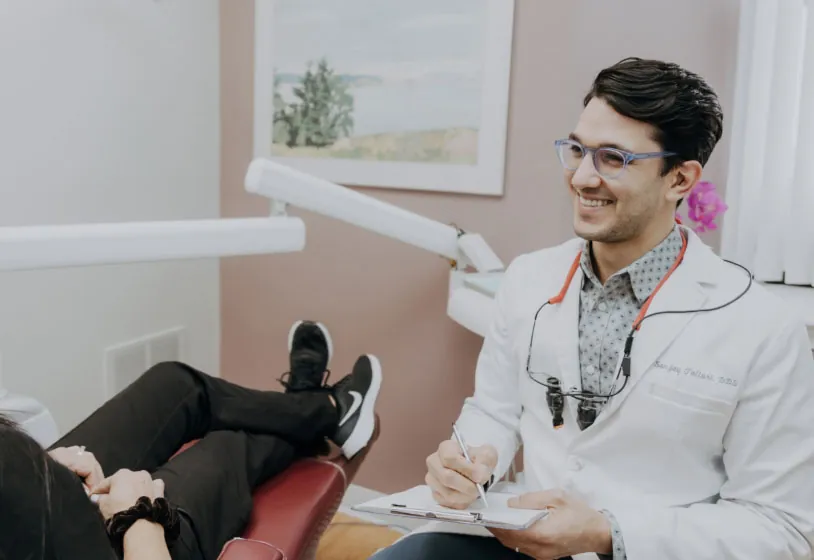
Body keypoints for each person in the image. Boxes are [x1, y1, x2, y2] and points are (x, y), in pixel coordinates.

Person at [373, 57, 814, 560]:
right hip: (521, 545)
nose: (583, 177)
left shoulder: (762, 327)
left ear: (680, 180)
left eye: (614, 159)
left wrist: (608, 532)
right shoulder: (528, 279)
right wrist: (471, 461)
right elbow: (494, 410)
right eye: (578, 150)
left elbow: (782, 528)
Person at [0, 319, 382, 560]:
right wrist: (139, 518)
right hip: (119, 545)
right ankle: (317, 409)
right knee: (227, 443)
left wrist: (41, 471)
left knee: (175, 384)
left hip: (39, 501)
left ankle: (316, 410)